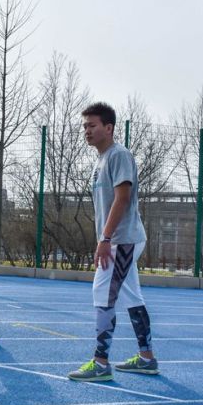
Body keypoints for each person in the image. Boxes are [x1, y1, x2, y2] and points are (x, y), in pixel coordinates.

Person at [67, 102, 159, 382]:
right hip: (119, 239)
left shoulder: (118, 155)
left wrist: (105, 238)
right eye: (84, 126)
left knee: (102, 292)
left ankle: (101, 362)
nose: (87, 130)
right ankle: (147, 358)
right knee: (131, 296)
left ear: (109, 128)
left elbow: (123, 198)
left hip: (122, 239)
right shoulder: (102, 159)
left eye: (92, 125)